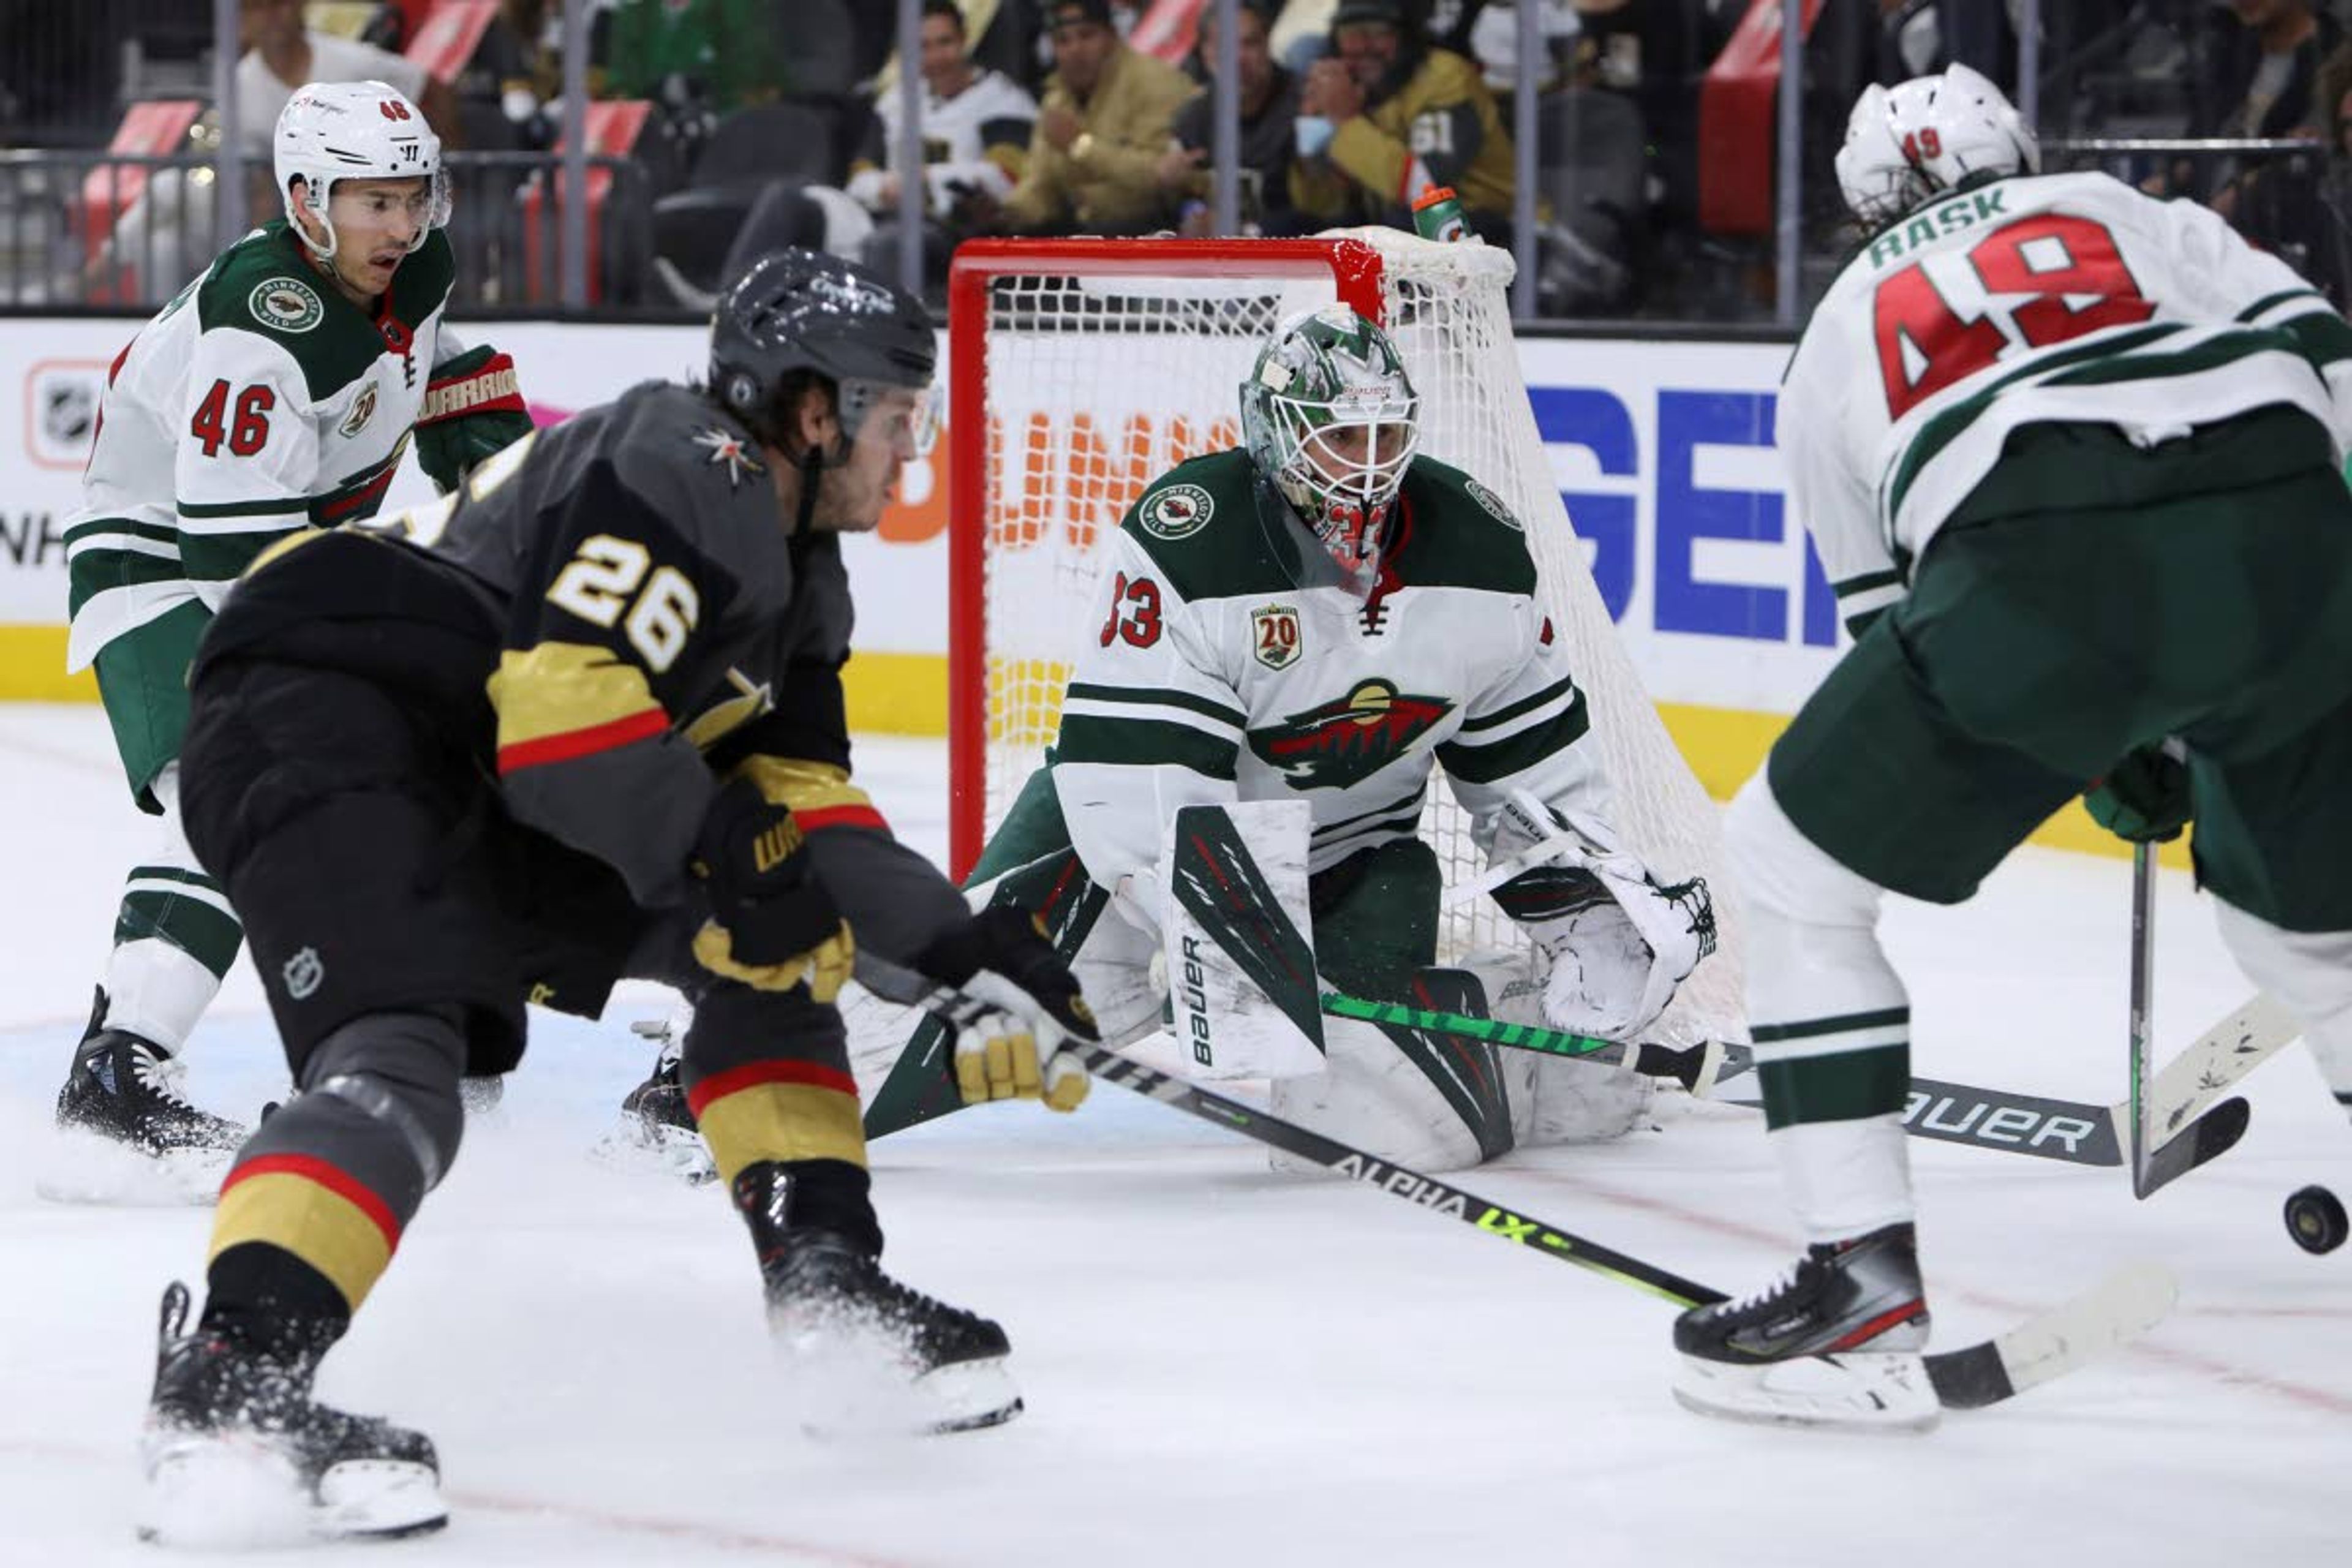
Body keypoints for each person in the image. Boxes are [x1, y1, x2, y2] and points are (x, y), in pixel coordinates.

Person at [133, 249, 1100, 1543]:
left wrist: (962, 947)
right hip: (333, 701)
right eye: (892, 417)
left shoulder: (802, 576)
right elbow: (566, 718)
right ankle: (231, 1386)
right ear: (812, 411)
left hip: (479, 762)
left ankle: (828, 1284)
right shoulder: (684, 457)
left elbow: (799, 801)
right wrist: (736, 859)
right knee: (405, 1049)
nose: (905, 451)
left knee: (777, 949)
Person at [1671, 64, 2352, 1431]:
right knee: (2315, 931)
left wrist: (2097, 731)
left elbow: (1895, 622)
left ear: (1859, 206)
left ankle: (1857, 1269)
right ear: (2019, 150)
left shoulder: (1838, 330)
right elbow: (2326, 357)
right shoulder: (2125, 201)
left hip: (2042, 568)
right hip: (2300, 537)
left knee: (1792, 872)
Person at [854, 303, 1716, 1173]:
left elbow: (1533, 778)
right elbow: (1139, 782)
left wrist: (1594, 912)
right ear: (1274, 433)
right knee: (954, 1014)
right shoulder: (1194, 540)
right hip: (1123, 855)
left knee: (1377, 1136)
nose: (1370, 468)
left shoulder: (1480, 554)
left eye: (1386, 437)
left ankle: (1523, 1021)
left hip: (1357, 860)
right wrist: (1211, 934)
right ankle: (753, 1092)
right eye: (1341, 439)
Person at [53, 80, 532, 1200]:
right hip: (160, 559)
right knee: (236, 787)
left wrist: (512, 498)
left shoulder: (410, 270)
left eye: (415, 197)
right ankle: (118, 1070)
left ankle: (419, 1034)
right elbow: (229, 559)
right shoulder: (255, 328)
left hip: (284, 550)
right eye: (373, 201)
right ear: (308, 201)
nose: (402, 227)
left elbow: (440, 370)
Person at [1291, 0, 1516, 246]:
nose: (1364, 46)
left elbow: (1428, 190)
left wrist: (1345, 122)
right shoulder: (1350, 85)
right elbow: (1321, 207)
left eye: (1379, 33)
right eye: (1352, 34)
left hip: (1492, 227)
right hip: (1405, 228)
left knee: (1402, 226)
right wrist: (1312, 132)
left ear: (1405, 35)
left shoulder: (1444, 76)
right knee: (1295, 228)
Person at [990, 0, 1200, 236]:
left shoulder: (1156, 84)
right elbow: (1040, 186)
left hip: (1156, 230)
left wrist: (1081, 146)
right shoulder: (1057, 98)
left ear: (1111, 37)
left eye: (1086, 36)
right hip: (1082, 232)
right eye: (1063, 41)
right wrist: (1005, 213)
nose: (1075, 49)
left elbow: (1160, 178)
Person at [1158, 0, 1305, 236]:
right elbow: (1186, 205)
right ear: (1205, 53)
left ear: (1268, 44)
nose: (1238, 57)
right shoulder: (1194, 117)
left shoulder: (1303, 104)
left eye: (1250, 43)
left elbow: (1314, 213)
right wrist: (1173, 189)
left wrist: (1240, 229)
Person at [237, 0, 460, 155]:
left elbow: (429, 87)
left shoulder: (351, 61)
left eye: (279, 3)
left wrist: (451, 170)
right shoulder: (238, 86)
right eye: (256, 7)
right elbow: (258, 185)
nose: (270, 17)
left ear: (300, 5)